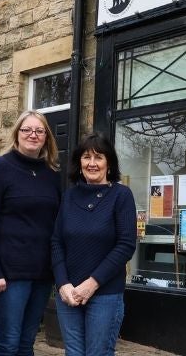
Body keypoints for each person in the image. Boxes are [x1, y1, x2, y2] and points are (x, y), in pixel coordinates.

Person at [0, 111, 62, 355]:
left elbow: (56, 224)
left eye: (39, 131)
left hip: (42, 274)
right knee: (8, 342)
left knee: (26, 342)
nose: (33, 135)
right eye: (27, 130)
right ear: (17, 134)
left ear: (46, 137)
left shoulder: (51, 175)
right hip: (9, 275)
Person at [51, 133, 137, 356]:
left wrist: (92, 283)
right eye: (86, 157)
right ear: (79, 163)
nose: (92, 163)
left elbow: (126, 245)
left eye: (98, 157)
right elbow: (56, 241)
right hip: (69, 294)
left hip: (105, 294)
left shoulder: (121, 195)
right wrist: (62, 284)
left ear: (109, 163)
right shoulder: (69, 197)